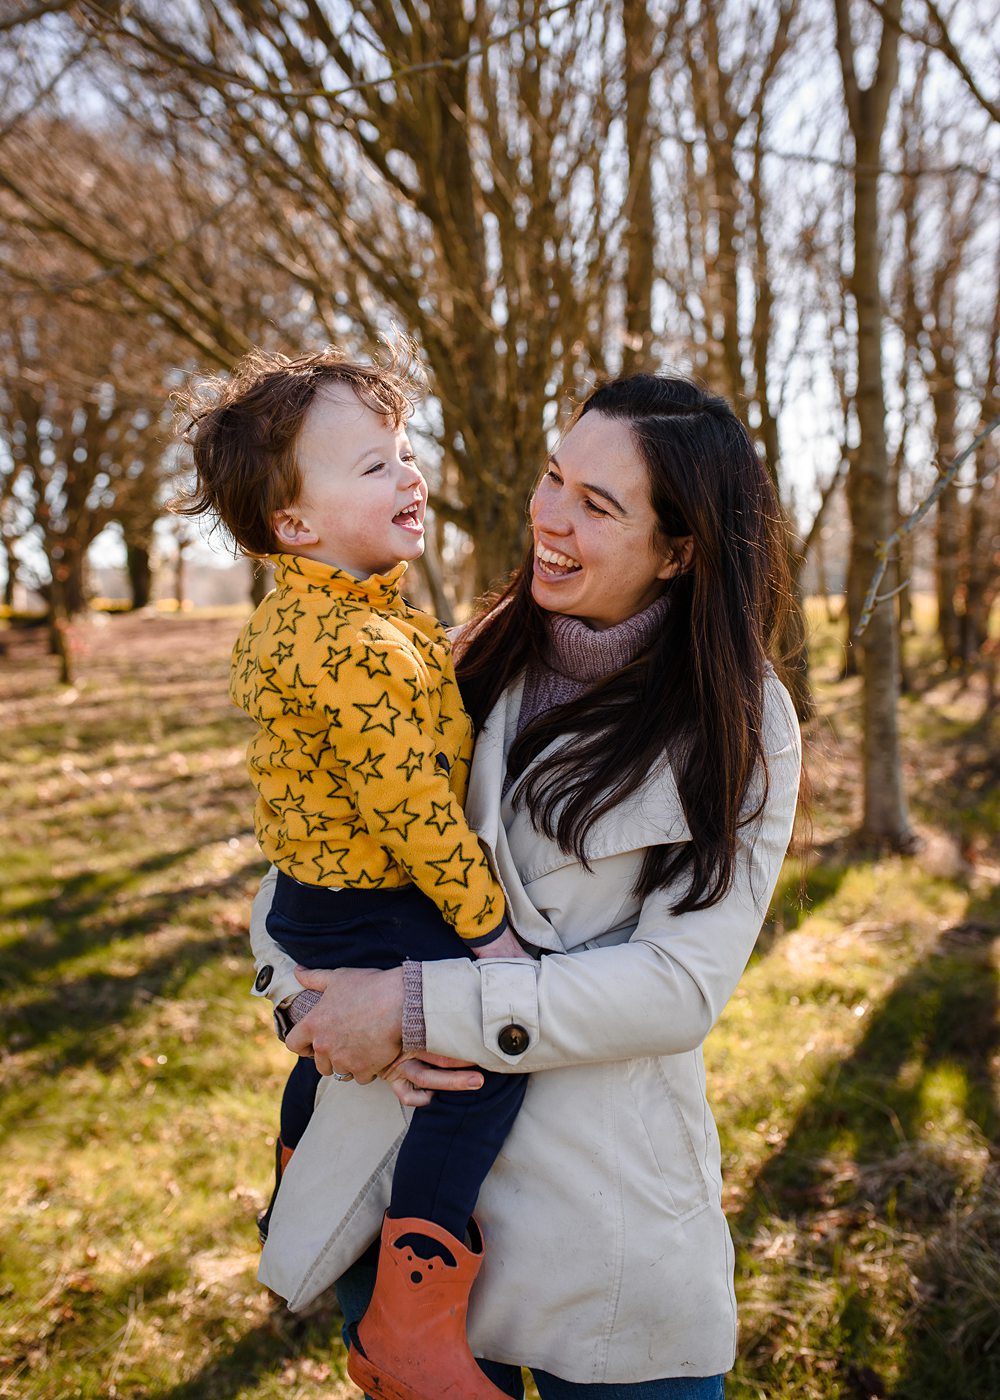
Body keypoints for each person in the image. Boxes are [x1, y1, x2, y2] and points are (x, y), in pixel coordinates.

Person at [248, 372, 803, 1400]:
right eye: (554, 477)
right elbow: (312, 857)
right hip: (404, 1199)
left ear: (678, 549)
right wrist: (308, 1006)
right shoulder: (463, 653)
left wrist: (417, 1007)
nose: (550, 515)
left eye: (598, 504)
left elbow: (679, 987)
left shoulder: (739, 721)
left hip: (600, 1228)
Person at [175, 346, 531, 1400]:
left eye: (405, 452)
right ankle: (410, 1320)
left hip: (321, 898)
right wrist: (491, 937)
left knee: (343, 1059)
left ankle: (301, 1177)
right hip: (375, 899)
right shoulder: (353, 647)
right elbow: (415, 816)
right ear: (294, 523)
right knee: (482, 1064)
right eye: (374, 466)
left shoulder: (332, 616)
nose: (409, 475)